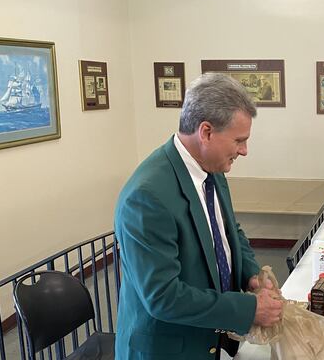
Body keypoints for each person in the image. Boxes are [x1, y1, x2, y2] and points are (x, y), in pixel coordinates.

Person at [114, 73, 283, 360]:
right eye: (239, 141)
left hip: (211, 339)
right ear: (206, 132)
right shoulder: (146, 197)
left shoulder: (211, 168)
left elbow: (230, 233)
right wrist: (248, 309)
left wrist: (251, 275)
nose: (244, 150)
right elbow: (163, 297)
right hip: (169, 350)